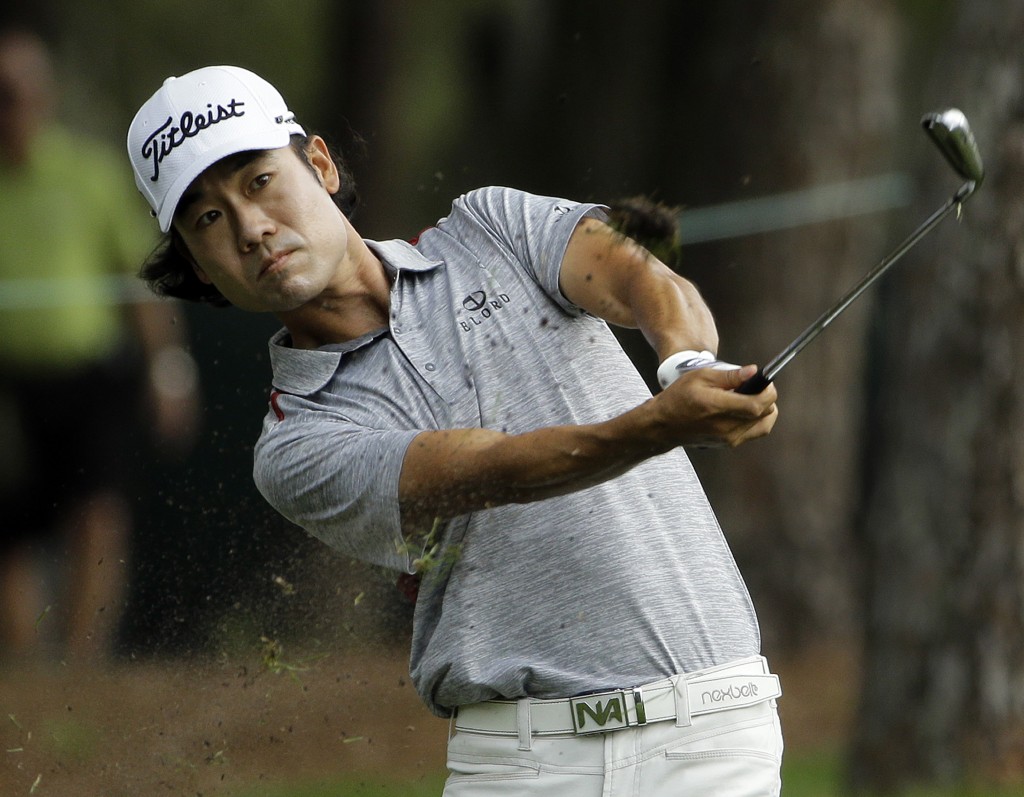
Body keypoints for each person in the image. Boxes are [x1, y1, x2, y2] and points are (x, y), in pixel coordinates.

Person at [127, 65, 783, 796]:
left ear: (319, 164)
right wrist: (662, 424)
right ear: (200, 270)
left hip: (715, 734)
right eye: (208, 220)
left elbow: (637, 275)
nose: (251, 229)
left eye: (257, 181)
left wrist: (686, 364)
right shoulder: (296, 444)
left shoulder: (490, 227)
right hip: (525, 766)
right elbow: (494, 470)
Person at [0, 28, 199, 664]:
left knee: (98, 514)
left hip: (88, 379)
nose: (10, 106)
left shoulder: (87, 175)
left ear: (44, 95)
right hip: (9, 387)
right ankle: (27, 673)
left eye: (18, 92)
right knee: (11, 532)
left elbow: (138, 283)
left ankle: (83, 670)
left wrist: (169, 370)